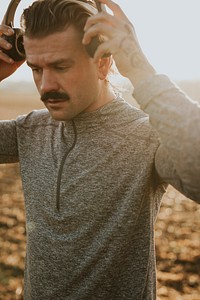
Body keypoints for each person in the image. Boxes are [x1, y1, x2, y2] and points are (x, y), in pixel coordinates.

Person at [0, 0, 199, 299]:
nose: (46, 86)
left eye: (61, 66)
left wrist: (141, 70)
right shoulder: (30, 130)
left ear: (103, 61)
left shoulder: (147, 137)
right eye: (36, 69)